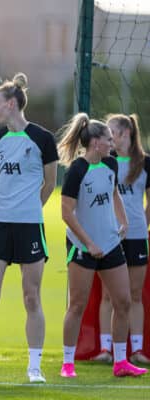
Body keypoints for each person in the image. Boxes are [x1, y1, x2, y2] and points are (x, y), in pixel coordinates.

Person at [0, 73, 58, 383]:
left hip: (30, 225)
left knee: (32, 297)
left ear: (12, 104)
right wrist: (9, 207)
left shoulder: (43, 138)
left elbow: (50, 183)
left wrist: (29, 209)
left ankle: (34, 369)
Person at [58, 113, 147, 378]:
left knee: (123, 302)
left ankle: (121, 363)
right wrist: (88, 243)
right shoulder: (77, 170)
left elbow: (114, 193)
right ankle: (67, 363)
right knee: (77, 304)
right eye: (108, 139)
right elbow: (66, 213)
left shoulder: (110, 164)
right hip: (82, 247)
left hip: (110, 245)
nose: (113, 143)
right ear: (96, 142)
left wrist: (123, 221)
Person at [91, 114, 150, 365]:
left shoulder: (145, 163)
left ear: (125, 132)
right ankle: (106, 350)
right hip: (110, 236)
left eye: (111, 132)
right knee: (108, 296)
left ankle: (136, 351)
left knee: (135, 295)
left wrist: (143, 225)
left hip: (136, 236)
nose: (109, 137)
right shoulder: (107, 162)